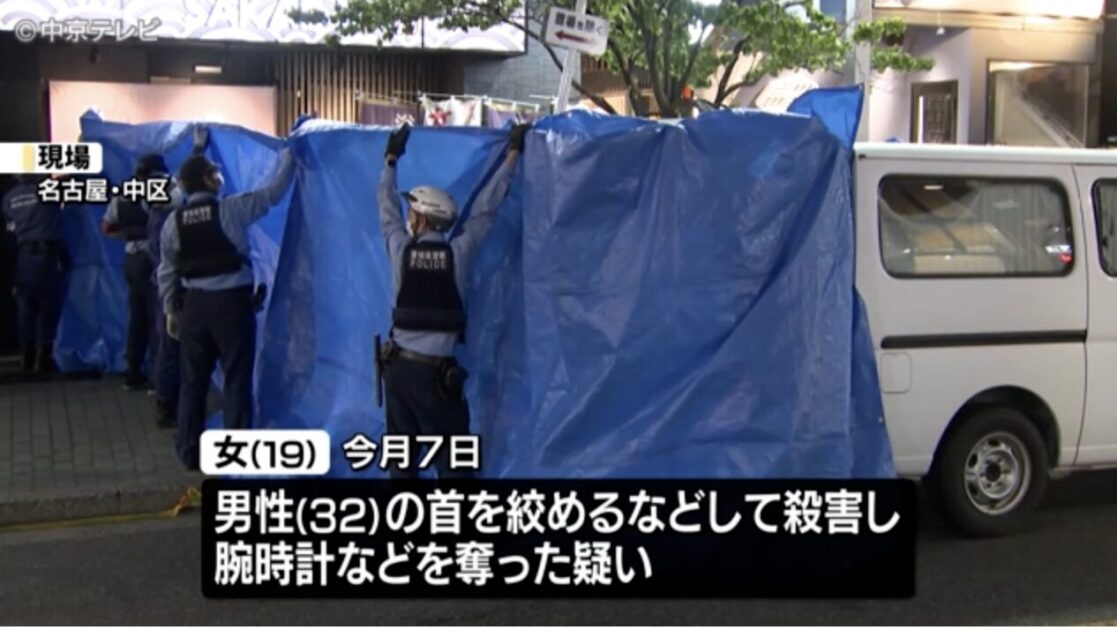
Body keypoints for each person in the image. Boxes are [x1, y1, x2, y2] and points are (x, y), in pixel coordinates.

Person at [377, 122, 527, 479]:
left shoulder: (400, 250)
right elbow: (486, 209)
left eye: (412, 213)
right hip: (436, 378)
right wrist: (512, 155)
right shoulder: (459, 253)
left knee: (401, 465)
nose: (408, 218)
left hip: (398, 373)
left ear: (421, 219)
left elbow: (385, 208)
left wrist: (390, 160)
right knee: (454, 466)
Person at [158, 127, 293, 470]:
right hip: (231, 308)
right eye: (213, 173)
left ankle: (190, 453)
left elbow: (167, 270)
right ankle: (235, 456)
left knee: (193, 383)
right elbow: (273, 193)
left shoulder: (174, 223)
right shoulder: (231, 210)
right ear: (207, 180)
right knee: (236, 380)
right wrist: (291, 155)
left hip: (194, 308)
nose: (219, 176)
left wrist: (170, 309)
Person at [102, 154, 166, 391]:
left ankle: (133, 371)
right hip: (150, 260)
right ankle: (158, 378)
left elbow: (106, 227)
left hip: (130, 259)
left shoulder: (122, 193)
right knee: (157, 318)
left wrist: (127, 236)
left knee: (137, 318)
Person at [2, 174, 67, 374]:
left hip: (23, 252)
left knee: (26, 305)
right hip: (47, 253)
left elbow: (10, 220)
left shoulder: (10, 197)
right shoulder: (48, 189)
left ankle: (27, 356)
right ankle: (43, 356)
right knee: (47, 305)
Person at [147, 167, 186, 429]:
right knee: (171, 349)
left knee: (167, 346)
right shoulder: (165, 221)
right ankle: (167, 404)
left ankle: (167, 400)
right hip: (171, 290)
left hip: (165, 288)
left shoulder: (157, 215)